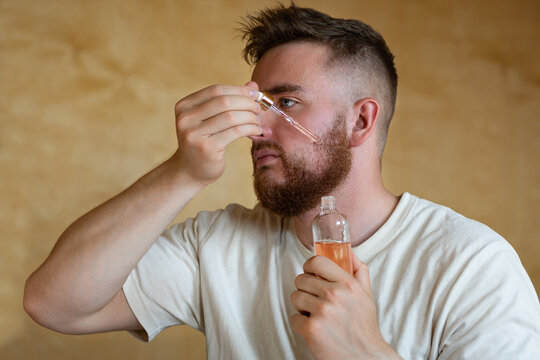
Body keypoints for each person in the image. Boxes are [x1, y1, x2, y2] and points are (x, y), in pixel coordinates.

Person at [24, 3, 540, 359]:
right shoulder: (218, 246)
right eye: (257, 107)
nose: (256, 128)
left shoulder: (472, 266)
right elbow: (55, 304)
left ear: (361, 121)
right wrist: (182, 173)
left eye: (285, 104)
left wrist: (365, 352)